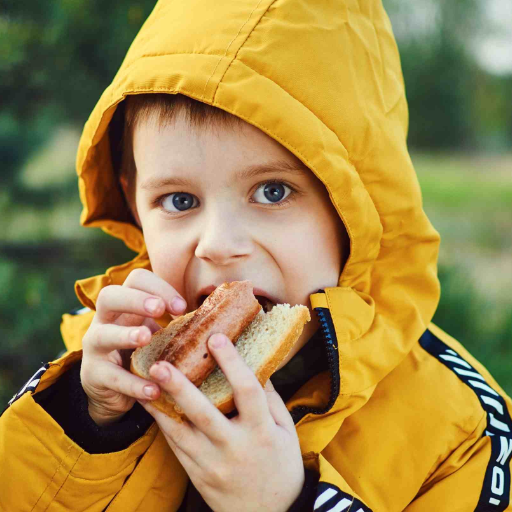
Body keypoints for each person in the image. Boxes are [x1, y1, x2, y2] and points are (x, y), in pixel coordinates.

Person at [1, 0, 511, 510]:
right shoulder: (105, 365)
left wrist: (285, 504)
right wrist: (89, 423)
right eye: (179, 201)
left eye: (272, 192)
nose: (219, 244)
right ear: (134, 200)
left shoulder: (463, 437)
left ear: (357, 212)